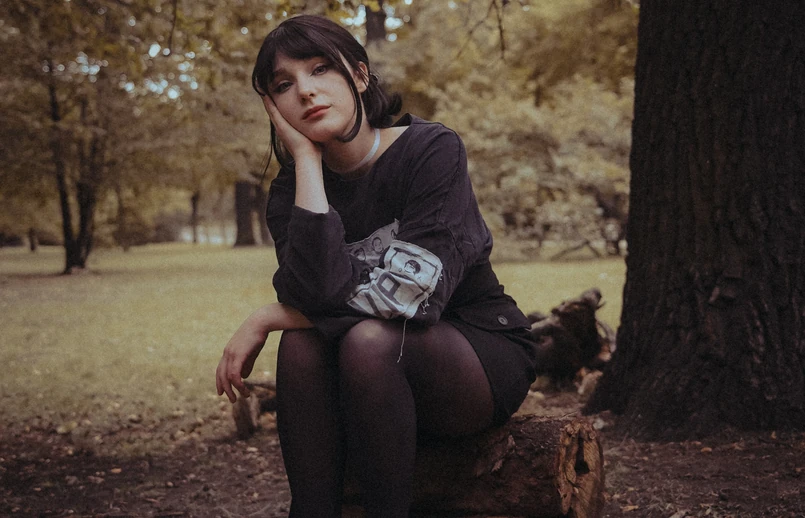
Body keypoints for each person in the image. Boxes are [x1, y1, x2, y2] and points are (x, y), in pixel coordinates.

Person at [216, 14, 539, 517]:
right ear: (274, 108)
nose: (305, 91)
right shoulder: (290, 192)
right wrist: (306, 163)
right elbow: (315, 295)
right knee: (301, 345)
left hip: (473, 351)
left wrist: (269, 316)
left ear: (360, 76)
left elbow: (412, 294)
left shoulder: (431, 150)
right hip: (365, 375)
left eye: (320, 68)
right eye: (283, 85)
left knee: (367, 340)